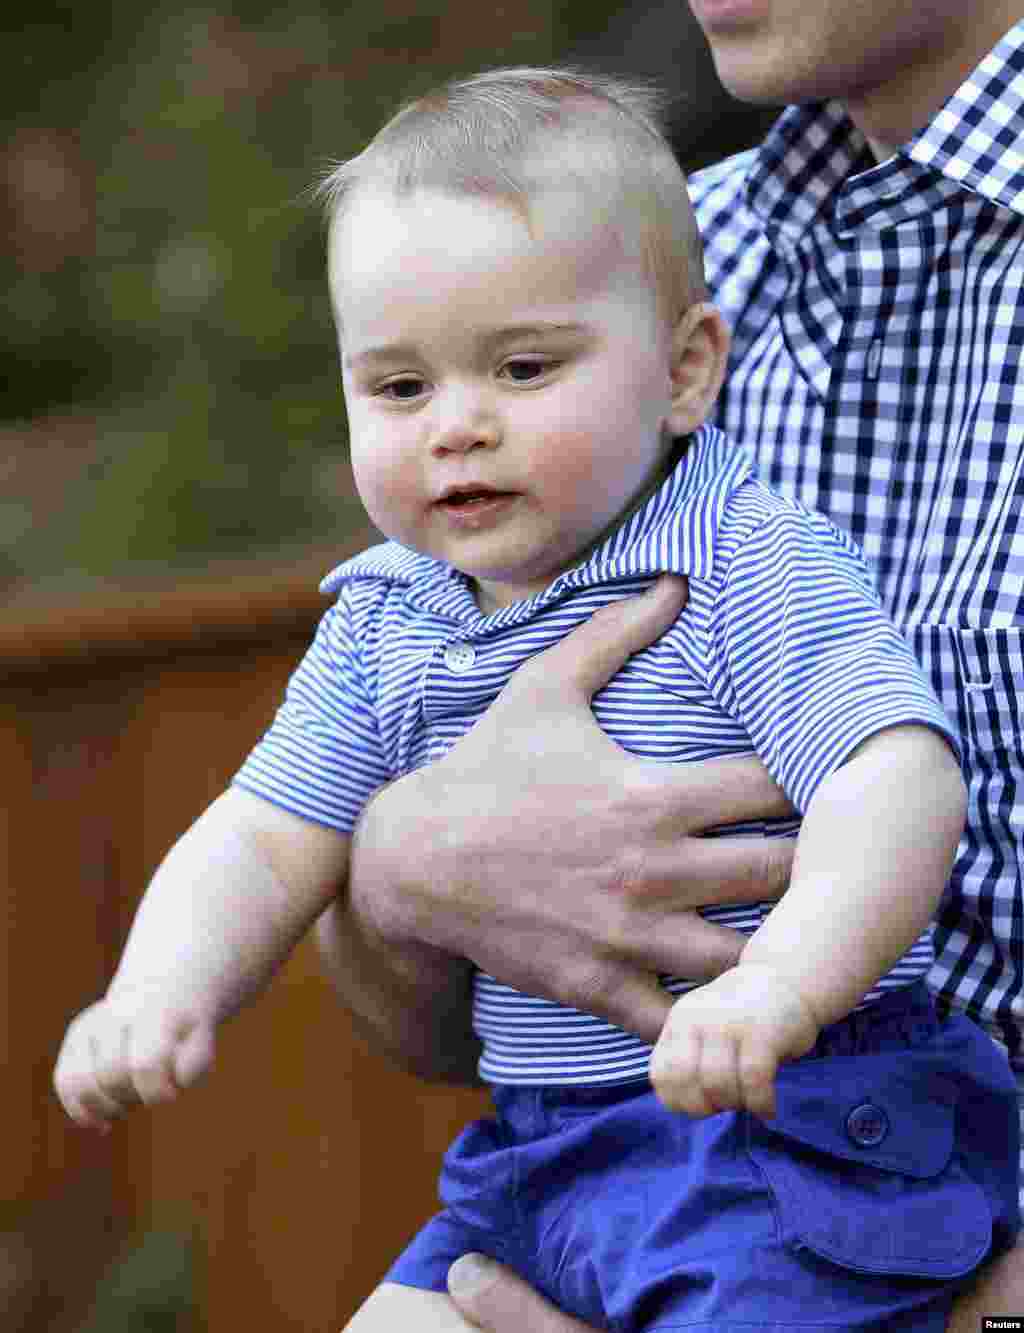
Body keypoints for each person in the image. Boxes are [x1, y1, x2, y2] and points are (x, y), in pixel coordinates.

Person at [53, 65, 1018, 1332]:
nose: (456, 426)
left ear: (684, 372)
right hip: (543, 1150)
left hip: (788, 1125)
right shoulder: (390, 614)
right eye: (400, 389)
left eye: (519, 369)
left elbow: (894, 774)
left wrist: (778, 983)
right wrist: (158, 991)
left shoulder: (736, 553)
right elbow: (262, 831)